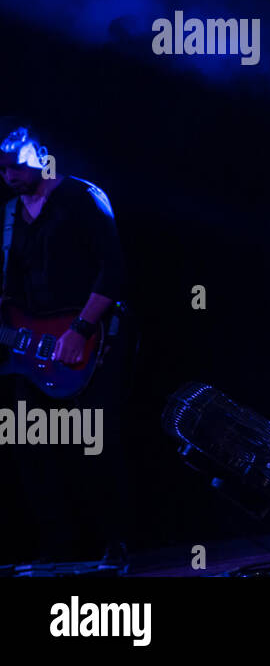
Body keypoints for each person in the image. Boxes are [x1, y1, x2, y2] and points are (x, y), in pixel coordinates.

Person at [0, 124, 129, 563]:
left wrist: (81, 328)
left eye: (18, 164)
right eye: (3, 169)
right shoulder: (11, 215)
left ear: (42, 155)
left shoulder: (81, 196)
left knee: (94, 443)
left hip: (87, 340)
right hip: (29, 349)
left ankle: (115, 542)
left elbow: (113, 270)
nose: (10, 175)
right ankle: (57, 546)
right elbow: (11, 290)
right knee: (27, 446)